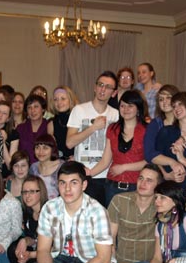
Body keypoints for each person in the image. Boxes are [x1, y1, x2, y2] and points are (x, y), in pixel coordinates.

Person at [107, 164, 163, 263]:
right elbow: (110, 238)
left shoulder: (161, 206)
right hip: (121, 261)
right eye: (141, 178)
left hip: (145, 262)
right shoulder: (119, 200)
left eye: (149, 180)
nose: (143, 183)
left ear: (158, 186)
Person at [66, 71, 120, 205]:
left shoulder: (116, 115)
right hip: (83, 174)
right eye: (100, 85)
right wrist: (93, 127)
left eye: (108, 87)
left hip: (106, 176)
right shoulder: (79, 110)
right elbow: (69, 143)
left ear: (114, 93)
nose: (103, 89)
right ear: (95, 87)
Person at [88, 90, 148, 205]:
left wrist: (124, 167)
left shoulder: (147, 130)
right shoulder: (113, 129)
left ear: (138, 109)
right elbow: (105, 161)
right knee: (111, 216)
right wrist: (88, 173)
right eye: (122, 106)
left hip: (138, 186)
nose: (125, 109)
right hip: (112, 185)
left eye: (130, 106)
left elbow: (150, 161)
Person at [145, 84, 186, 182]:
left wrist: (183, 139)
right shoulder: (162, 128)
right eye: (161, 99)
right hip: (170, 183)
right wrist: (167, 173)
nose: (165, 102)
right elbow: (150, 155)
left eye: (168, 98)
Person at [8, 176, 48, 263]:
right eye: (25, 192)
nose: (27, 196)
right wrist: (25, 240)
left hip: (48, 255)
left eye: (32, 191)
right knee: (13, 248)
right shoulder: (28, 212)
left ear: (41, 192)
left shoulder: (49, 212)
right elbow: (34, 239)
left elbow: (52, 249)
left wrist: (30, 255)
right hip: (36, 251)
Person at [16, 94, 54, 164]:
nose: (32, 110)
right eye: (29, 107)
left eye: (36, 106)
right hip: (24, 168)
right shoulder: (20, 128)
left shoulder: (49, 126)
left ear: (43, 109)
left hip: (45, 167)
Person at [0, 99, 19, 179]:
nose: (0, 115)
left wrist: (2, 142)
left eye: (4, 113)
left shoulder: (13, 134)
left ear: (8, 118)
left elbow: (10, 165)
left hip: (4, 176)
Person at [29, 133, 63, 200]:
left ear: (52, 150)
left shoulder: (62, 167)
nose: (40, 151)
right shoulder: (33, 168)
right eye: (37, 147)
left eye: (45, 148)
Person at [51, 85, 79, 160]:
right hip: (59, 162)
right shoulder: (51, 123)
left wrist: (77, 157)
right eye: (55, 99)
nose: (59, 102)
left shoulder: (79, 118)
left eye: (63, 99)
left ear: (71, 100)